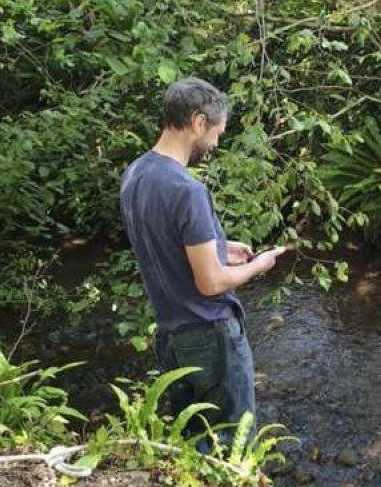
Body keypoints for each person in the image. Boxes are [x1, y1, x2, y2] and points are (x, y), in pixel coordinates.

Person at [120, 77, 286, 446]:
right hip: (210, 334)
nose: (215, 143)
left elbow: (163, 242)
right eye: (217, 132)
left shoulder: (135, 174)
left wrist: (224, 247)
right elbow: (210, 282)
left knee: (194, 437)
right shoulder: (187, 189)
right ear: (198, 122)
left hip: (170, 336)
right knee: (233, 440)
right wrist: (259, 266)